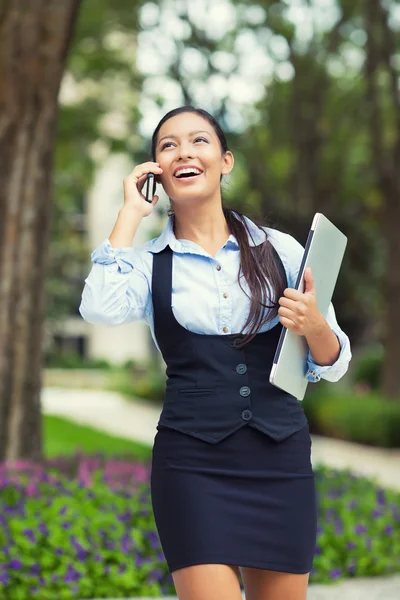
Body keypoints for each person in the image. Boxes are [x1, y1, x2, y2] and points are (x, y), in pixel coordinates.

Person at [79, 106, 352, 600]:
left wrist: (313, 327)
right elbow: (98, 306)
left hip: (280, 460)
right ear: (156, 172)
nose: (184, 151)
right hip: (192, 467)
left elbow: (332, 363)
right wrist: (129, 215)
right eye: (168, 145)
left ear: (225, 161)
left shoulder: (283, 251)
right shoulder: (148, 264)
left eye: (198, 141)